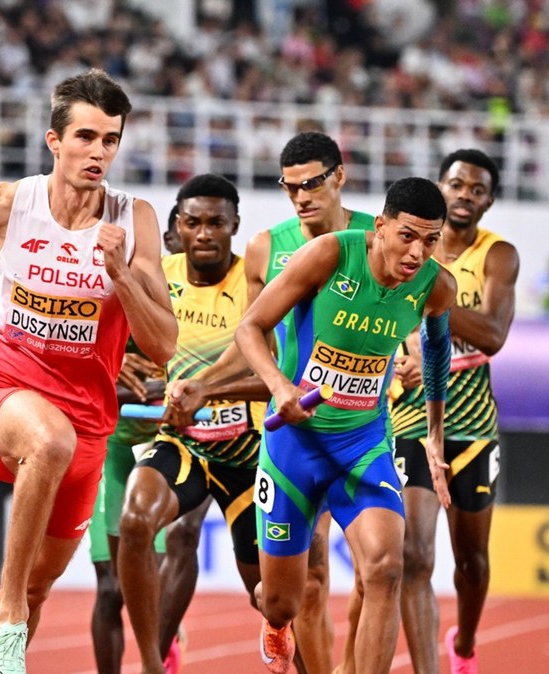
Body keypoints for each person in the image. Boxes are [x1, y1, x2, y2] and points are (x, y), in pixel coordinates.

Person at [0, 69, 177, 673]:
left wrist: (122, 274)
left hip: (88, 419)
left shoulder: (136, 220)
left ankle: (8, 629)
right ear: (54, 141)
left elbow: (163, 345)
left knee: (42, 579)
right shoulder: (10, 204)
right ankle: (13, 615)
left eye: (110, 140)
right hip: (0, 390)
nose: (98, 152)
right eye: (85, 137)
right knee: (47, 442)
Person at [169, 131, 372, 674]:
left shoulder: (376, 237)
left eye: (312, 183)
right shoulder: (266, 248)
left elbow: (414, 307)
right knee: (310, 577)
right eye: (290, 186)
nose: (302, 196)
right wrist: (204, 385)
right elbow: (252, 336)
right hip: (292, 426)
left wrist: (411, 355)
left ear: (339, 177)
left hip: (363, 426)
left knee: (382, 568)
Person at [238, 177, 456, 674]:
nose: (417, 252)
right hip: (295, 447)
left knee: (385, 568)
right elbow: (250, 327)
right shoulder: (329, 255)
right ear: (380, 227)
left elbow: (439, 352)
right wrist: (279, 387)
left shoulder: (436, 286)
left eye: (430, 240)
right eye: (407, 236)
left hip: (362, 445)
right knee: (285, 602)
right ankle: (272, 616)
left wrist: (434, 433)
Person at [118, 174, 270, 674]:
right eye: (193, 222)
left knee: (270, 600)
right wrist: (123, 371)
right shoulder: (157, 276)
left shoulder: (258, 284)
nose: (204, 233)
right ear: (177, 227)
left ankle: (284, 634)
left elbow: (279, 382)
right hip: (183, 443)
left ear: (235, 226)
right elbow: (115, 349)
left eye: (216, 223)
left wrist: (207, 389)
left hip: (248, 453)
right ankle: (150, 661)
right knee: (140, 522)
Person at [389, 149, 518, 674]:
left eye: (477, 189)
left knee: (471, 563)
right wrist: (404, 355)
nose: (465, 195)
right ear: (440, 188)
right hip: (412, 423)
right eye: (457, 185)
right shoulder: (407, 247)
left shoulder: (497, 255)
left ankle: (463, 643)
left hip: (473, 430)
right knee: (415, 556)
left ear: (489, 200)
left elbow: (493, 334)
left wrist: (435, 308)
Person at [89, 206, 202, 674]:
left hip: (183, 439)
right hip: (117, 444)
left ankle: (157, 650)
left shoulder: (218, 293)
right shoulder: (119, 286)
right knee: (111, 587)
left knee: (179, 545)